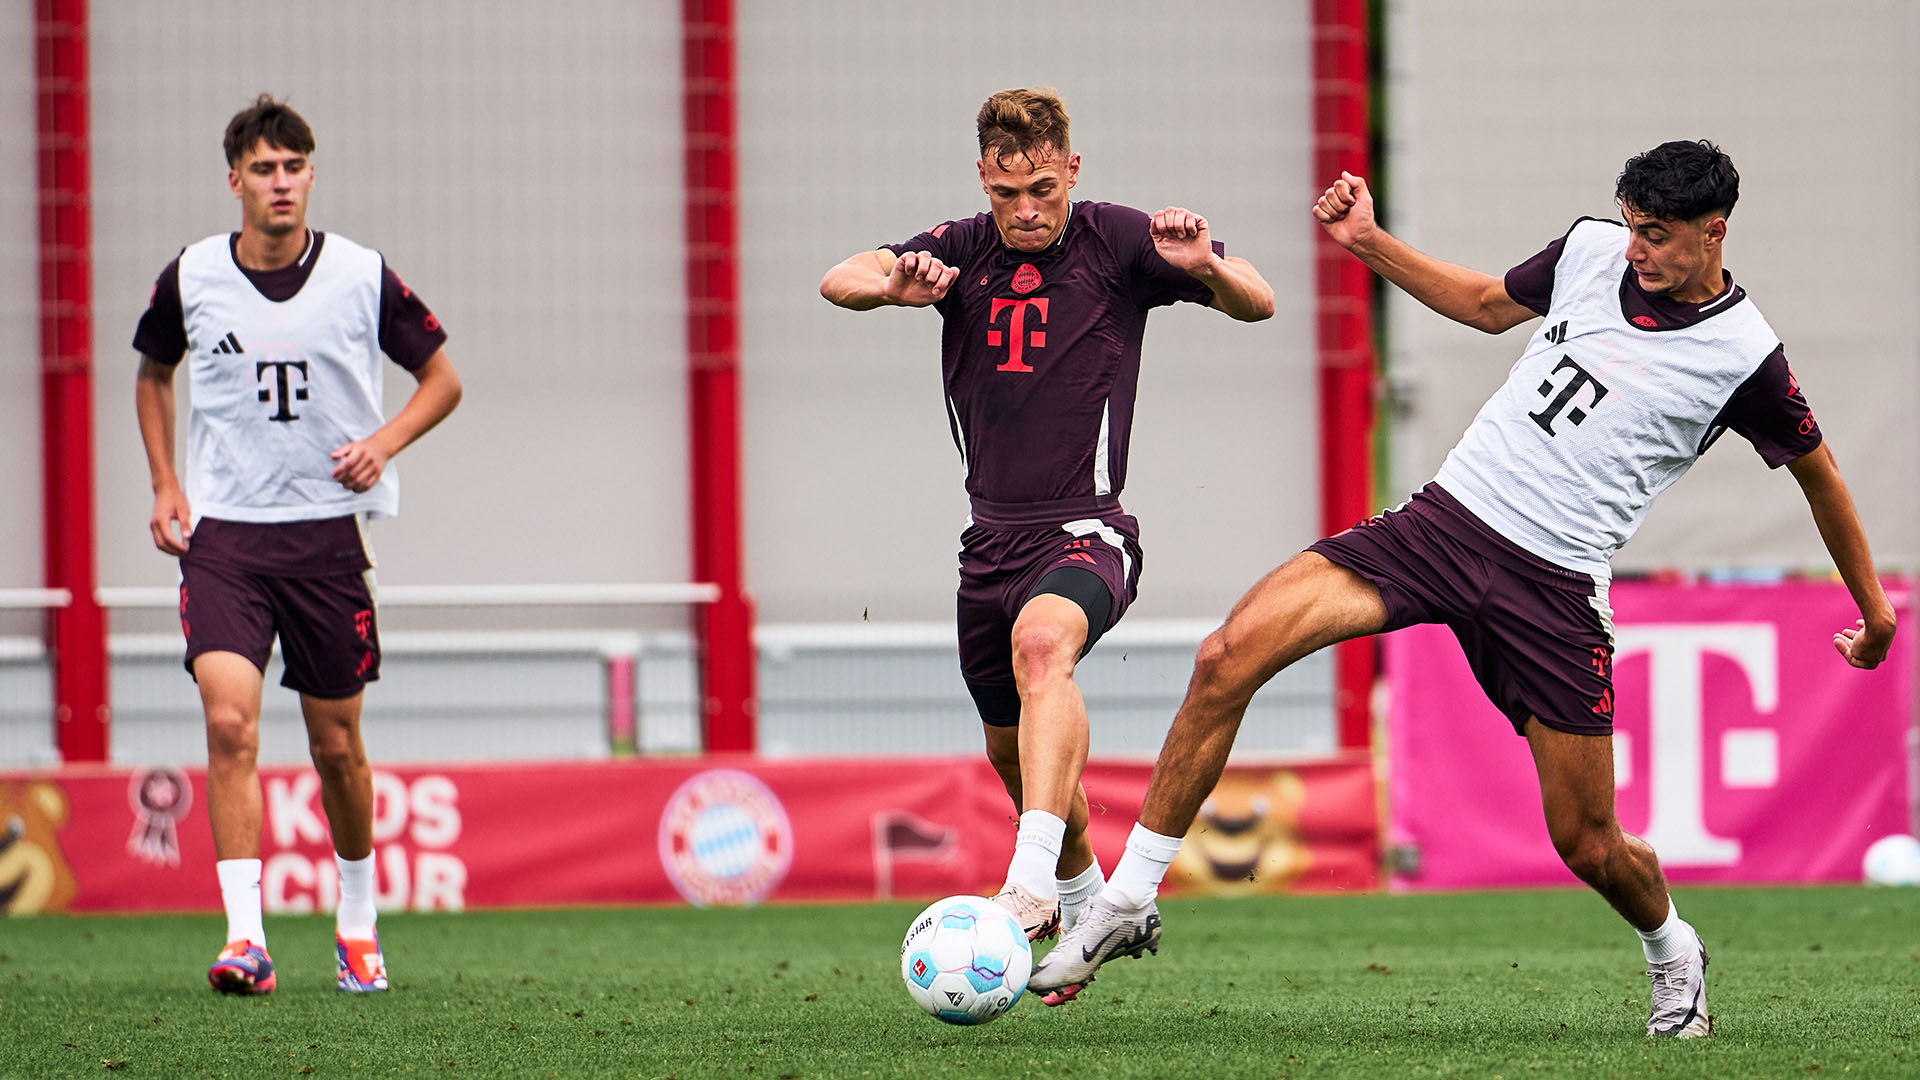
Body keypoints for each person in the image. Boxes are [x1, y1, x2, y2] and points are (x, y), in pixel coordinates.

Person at [1028, 140, 1896, 1038]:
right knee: (1226, 656)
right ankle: (1127, 899)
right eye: (1634, 226)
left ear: (1715, 232)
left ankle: (1673, 947)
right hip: (1444, 525)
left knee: (1588, 844)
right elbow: (1486, 307)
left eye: (1660, 236)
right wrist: (1367, 240)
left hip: (1553, 587)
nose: (1637, 249)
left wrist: (1872, 613)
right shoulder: (1591, 249)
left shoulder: (1745, 355)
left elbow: (1819, 473)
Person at [819, 87, 1274, 941]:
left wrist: (1207, 264)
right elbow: (837, 278)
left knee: (1042, 650)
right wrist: (892, 288)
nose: (1024, 212)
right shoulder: (958, 247)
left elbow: (1260, 299)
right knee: (1013, 751)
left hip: (1087, 527)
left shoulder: (1122, 239)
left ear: (1072, 170)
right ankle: (1086, 900)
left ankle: (1025, 883)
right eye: (1005, 194)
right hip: (987, 540)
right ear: (983, 179)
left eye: (1042, 192)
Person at [133, 94, 463, 995]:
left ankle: (357, 922)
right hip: (226, 538)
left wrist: (383, 444)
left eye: (295, 166)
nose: (281, 183)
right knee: (230, 723)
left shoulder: (360, 274)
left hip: (323, 538)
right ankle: (246, 938)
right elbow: (153, 375)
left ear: (311, 175)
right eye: (264, 169)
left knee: (336, 749)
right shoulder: (193, 276)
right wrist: (166, 482)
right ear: (234, 180)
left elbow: (442, 378)